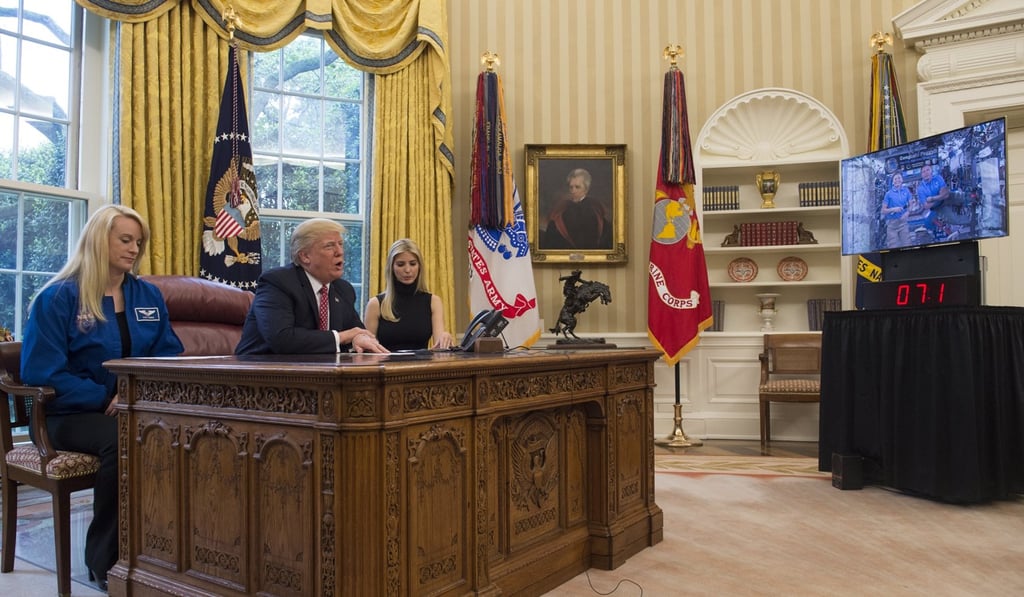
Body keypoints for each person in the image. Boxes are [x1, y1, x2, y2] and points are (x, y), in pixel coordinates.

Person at [20, 204, 184, 590]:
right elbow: (42, 372)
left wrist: (131, 394)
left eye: (138, 242)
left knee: (182, 436)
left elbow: (169, 353)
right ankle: (107, 559)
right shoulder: (58, 297)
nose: (134, 249)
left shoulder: (148, 295)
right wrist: (106, 395)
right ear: (98, 240)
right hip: (65, 415)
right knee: (123, 440)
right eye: (125, 239)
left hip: (132, 405)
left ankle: (163, 551)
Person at [235, 218, 387, 355]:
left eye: (340, 244)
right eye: (329, 246)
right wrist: (342, 337)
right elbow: (282, 339)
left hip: (319, 374)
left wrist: (359, 338)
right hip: (260, 374)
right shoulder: (277, 282)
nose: (340, 252)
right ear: (305, 256)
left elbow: (356, 330)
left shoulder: (343, 289)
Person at [363, 238, 453, 351]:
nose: (407, 270)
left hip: (422, 367)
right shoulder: (376, 304)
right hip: (386, 367)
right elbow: (366, 352)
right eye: (400, 264)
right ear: (391, 267)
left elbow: (439, 346)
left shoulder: (433, 302)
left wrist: (445, 338)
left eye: (413, 264)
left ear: (419, 266)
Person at [541, 168, 612, 250]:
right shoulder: (562, 208)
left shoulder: (595, 210)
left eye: (577, 187)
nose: (573, 191)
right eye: (571, 187)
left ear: (586, 189)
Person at [880, 171, 912, 248]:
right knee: (893, 246)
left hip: (903, 223)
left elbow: (911, 204)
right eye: (895, 179)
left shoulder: (906, 191)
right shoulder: (888, 194)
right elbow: (883, 210)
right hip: (892, 225)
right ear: (893, 182)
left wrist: (907, 213)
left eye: (899, 178)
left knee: (907, 245)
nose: (897, 180)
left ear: (902, 180)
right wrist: (893, 209)